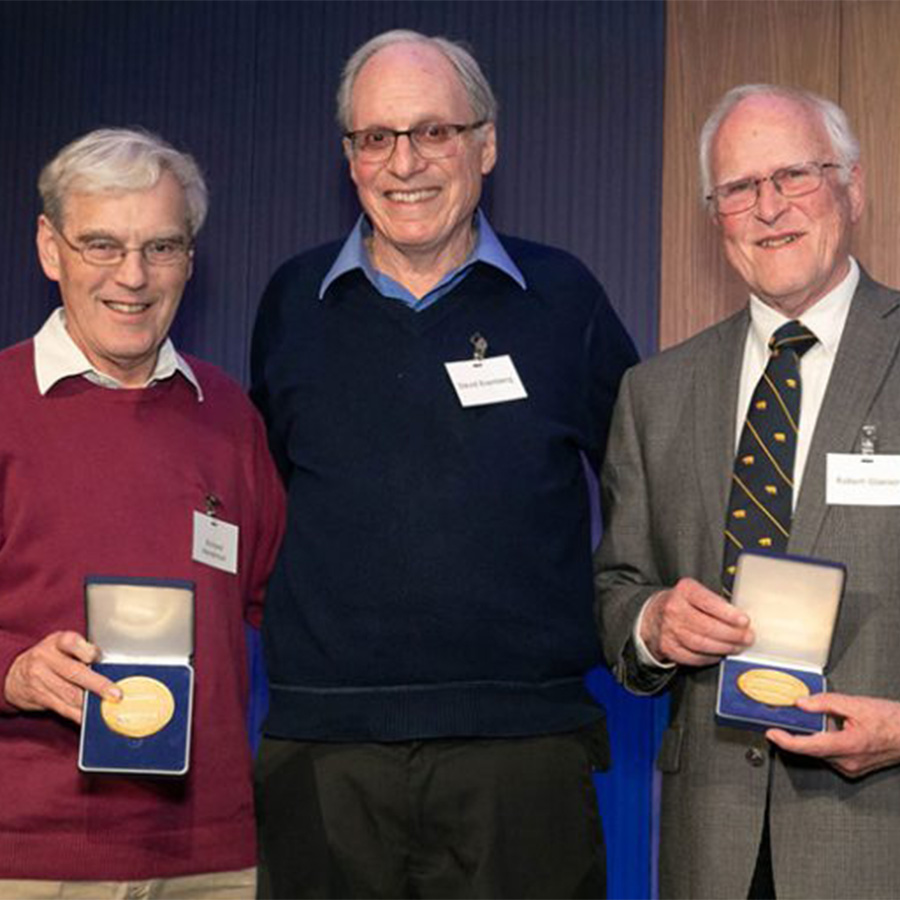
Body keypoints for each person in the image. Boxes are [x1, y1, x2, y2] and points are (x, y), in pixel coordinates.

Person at [251, 28, 638, 899]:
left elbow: (643, 485)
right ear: (349, 156)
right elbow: (274, 488)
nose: (405, 163)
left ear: (486, 143)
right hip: (325, 749)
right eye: (376, 137)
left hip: (523, 751)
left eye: (435, 132)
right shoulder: (289, 302)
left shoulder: (564, 297)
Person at [595, 82, 900, 899]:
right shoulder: (654, 393)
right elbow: (617, 588)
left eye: (795, 175)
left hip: (882, 834)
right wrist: (653, 624)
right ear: (715, 215)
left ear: (853, 188)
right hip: (712, 845)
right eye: (739, 188)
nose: (769, 208)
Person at [0, 128, 285, 899]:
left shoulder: (230, 417)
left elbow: (283, 608)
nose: (133, 276)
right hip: (31, 860)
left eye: (161, 247)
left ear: (191, 260)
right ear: (49, 248)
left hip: (213, 861)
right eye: (101, 244)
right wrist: (14, 670)